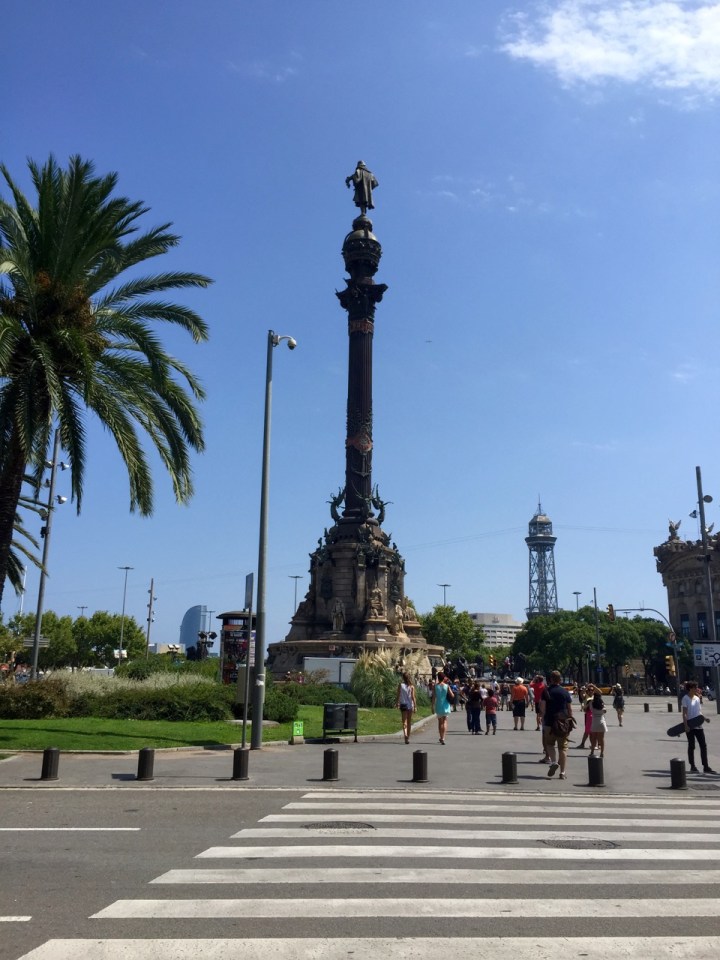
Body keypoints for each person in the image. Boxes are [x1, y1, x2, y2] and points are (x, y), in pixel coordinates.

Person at [539, 670, 574, 780]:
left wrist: (542, 717)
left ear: (550, 679)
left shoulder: (546, 691)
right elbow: (569, 709)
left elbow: (543, 708)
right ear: (560, 680)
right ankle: (562, 773)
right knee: (563, 748)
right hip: (562, 723)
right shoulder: (565, 692)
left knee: (549, 744)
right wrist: (570, 721)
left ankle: (554, 761)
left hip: (549, 722)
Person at [682, 680, 715, 773]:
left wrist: (705, 718)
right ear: (690, 688)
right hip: (690, 725)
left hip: (698, 725)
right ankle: (692, 766)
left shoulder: (697, 698)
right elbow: (684, 713)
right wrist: (685, 726)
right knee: (691, 746)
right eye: (695, 687)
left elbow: (698, 712)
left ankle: (706, 766)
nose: (697, 689)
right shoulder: (685, 698)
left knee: (703, 746)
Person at [431, 671, 453, 744]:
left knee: (440, 722)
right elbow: (452, 695)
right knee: (445, 721)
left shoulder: (435, 686)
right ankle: (443, 737)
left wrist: (432, 706)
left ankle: (440, 737)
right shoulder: (446, 686)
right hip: (446, 705)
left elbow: (434, 697)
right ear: (443, 678)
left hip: (438, 705)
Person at [395, 671, 416, 744]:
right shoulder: (411, 686)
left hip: (403, 704)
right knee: (409, 721)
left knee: (404, 721)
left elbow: (398, 695)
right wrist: (415, 706)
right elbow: (413, 697)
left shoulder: (400, 685)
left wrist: (397, 702)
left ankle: (405, 735)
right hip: (410, 705)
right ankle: (408, 737)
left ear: (403, 678)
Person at [589, 692, 607, 757]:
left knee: (594, 738)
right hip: (601, 721)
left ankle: (592, 752)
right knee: (601, 739)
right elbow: (605, 710)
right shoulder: (602, 703)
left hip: (594, 721)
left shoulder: (592, 703)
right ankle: (602, 753)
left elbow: (590, 709)